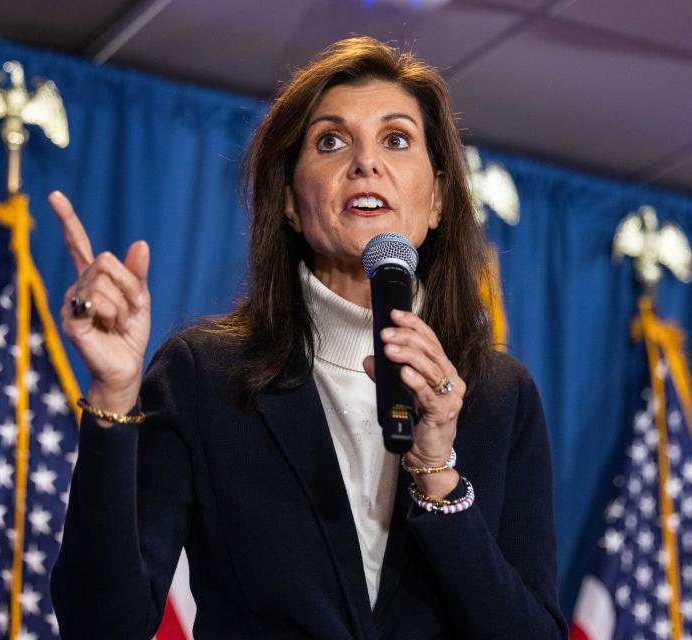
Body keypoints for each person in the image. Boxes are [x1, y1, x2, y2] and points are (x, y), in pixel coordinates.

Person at [49, 37, 566, 639]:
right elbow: (101, 626)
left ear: (439, 202)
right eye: (331, 141)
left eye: (396, 140)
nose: (365, 163)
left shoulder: (500, 395)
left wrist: (437, 472)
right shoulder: (205, 375)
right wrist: (114, 395)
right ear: (292, 202)